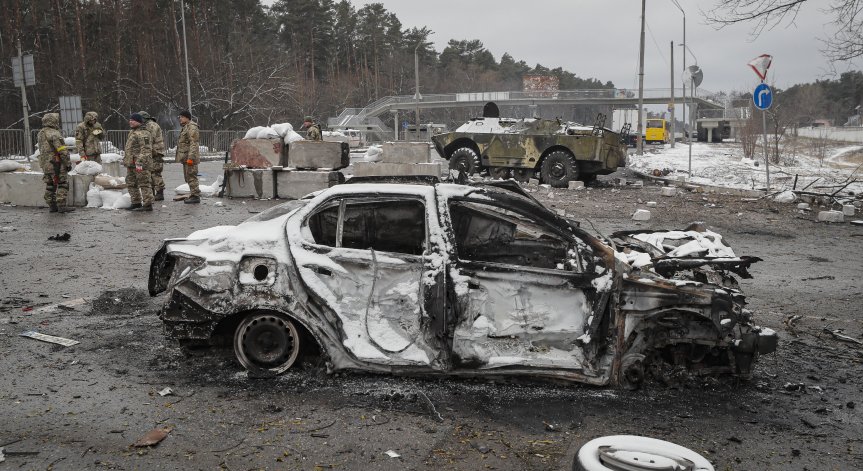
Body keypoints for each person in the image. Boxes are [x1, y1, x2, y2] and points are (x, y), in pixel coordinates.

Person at [37, 113, 75, 213]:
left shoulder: (41, 133)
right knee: (63, 183)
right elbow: (62, 150)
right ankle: (61, 205)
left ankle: (52, 206)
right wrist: (67, 163)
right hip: (56, 163)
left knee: (50, 184)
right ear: (54, 121)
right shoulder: (55, 133)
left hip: (45, 163)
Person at [124, 113, 154, 211]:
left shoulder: (144, 133)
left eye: (133, 120)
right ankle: (136, 202)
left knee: (144, 183)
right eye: (130, 120)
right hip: (131, 163)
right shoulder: (132, 132)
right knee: (131, 183)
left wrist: (139, 161)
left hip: (140, 164)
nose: (130, 122)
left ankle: (147, 204)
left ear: (139, 122)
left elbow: (146, 149)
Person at [138, 110, 166, 201]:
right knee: (150, 173)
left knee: (155, 173)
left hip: (156, 152)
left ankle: (159, 192)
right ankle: (153, 192)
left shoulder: (151, 125)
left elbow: (150, 137)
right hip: (151, 152)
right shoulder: (147, 125)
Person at [176, 110, 200, 204]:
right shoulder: (186, 127)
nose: (180, 119)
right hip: (186, 157)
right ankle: (193, 194)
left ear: (187, 118)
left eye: (181, 117)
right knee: (188, 177)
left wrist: (191, 157)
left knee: (191, 176)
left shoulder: (191, 127)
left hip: (190, 157)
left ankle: (195, 196)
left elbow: (194, 143)